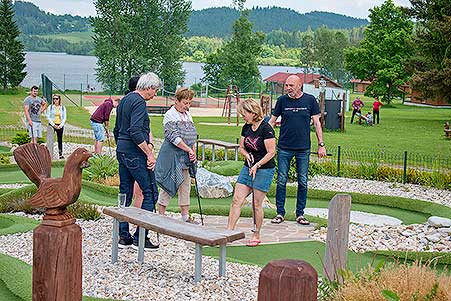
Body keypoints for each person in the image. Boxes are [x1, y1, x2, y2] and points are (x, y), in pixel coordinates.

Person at [268, 75, 326, 225]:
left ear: (299, 85)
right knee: (281, 181)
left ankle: (300, 214)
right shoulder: (282, 101)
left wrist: (321, 144)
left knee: (303, 182)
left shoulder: (310, 100)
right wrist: (264, 139)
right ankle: (280, 213)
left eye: (291, 86)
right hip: (284, 147)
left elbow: (317, 123)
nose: (287, 88)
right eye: (286, 85)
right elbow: (272, 121)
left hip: (303, 148)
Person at [113, 72, 161, 250]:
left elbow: (117, 129)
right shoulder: (139, 101)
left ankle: (123, 236)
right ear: (148, 87)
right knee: (150, 192)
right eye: (154, 90)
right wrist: (149, 153)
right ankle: (140, 237)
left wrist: (122, 147)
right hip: (134, 152)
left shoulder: (125, 100)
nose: (154, 94)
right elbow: (135, 130)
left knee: (125, 192)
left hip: (122, 150)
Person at [226, 98, 276, 247]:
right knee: (236, 200)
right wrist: (246, 155)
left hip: (264, 169)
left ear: (253, 113)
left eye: (244, 113)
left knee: (256, 204)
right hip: (248, 167)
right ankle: (229, 231)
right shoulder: (246, 127)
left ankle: (256, 233)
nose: (243, 116)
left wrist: (257, 165)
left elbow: (271, 152)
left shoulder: (266, 129)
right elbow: (242, 147)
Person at [155, 87, 198, 223]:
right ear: (176, 101)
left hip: (185, 157)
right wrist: (189, 150)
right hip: (172, 155)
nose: (187, 106)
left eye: (189, 103)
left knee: (185, 184)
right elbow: (173, 137)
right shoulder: (170, 115)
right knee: (169, 182)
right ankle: (161, 214)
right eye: (185, 102)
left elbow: (192, 136)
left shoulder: (188, 115)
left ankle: (185, 216)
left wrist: (193, 152)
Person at [46, 94, 67, 159]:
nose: (55, 100)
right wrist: (53, 125)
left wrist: (60, 125)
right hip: (52, 125)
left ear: (59, 100)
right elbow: (48, 117)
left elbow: (64, 117)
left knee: (59, 139)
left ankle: (60, 154)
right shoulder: (50, 107)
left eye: (56, 99)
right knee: (50, 140)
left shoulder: (62, 108)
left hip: (60, 125)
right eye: (54, 99)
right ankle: (49, 154)